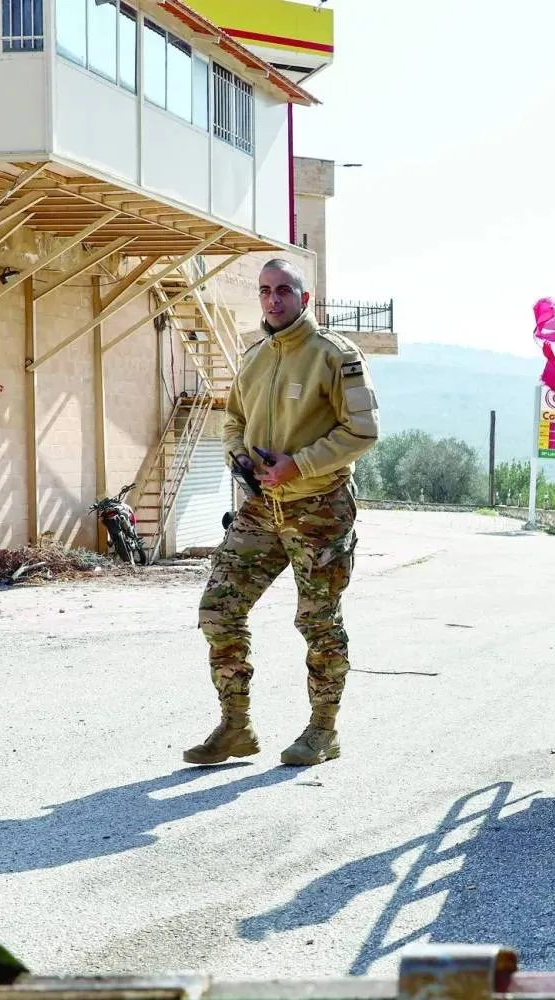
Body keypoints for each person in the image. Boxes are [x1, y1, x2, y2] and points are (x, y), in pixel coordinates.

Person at [183, 257, 380, 767]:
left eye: (284, 290)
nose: (273, 299)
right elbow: (233, 421)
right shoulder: (254, 356)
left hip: (319, 509)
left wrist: (300, 465)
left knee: (318, 622)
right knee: (218, 610)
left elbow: (362, 431)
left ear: (304, 298)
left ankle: (322, 731)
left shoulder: (335, 356)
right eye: (266, 291)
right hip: (260, 507)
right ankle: (235, 728)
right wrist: (238, 457)